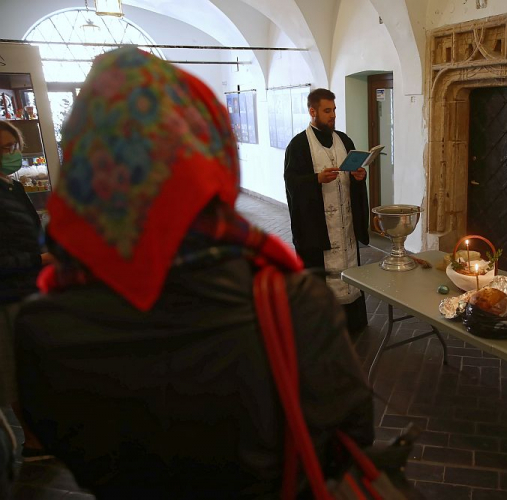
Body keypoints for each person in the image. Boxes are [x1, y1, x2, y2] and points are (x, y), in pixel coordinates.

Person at [14, 47, 373, 499]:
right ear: (214, 158)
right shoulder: (296, 302)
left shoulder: (44, 329)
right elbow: (350, 435)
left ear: (87, 165)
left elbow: (77, 452)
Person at [284, 88, 370, 334]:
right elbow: (291, 182)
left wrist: (359, 176)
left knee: (350, 270)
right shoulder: (299, 145)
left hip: (345, 224)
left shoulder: (345, 140)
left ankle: (353, 323)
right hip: (318, 228)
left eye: (334, 110)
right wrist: (316, 179)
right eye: (327, 110)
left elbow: (355, 177)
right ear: (312, 112)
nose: (332, 115)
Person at [0, 120, 52, 461]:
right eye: (3, 149)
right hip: (7, 295)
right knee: (16, 371)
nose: (9, 155)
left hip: (31, 287)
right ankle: (33, 442)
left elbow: (30, 230)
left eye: (12, 147)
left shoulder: (12, 187)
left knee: (36, 366)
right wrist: (39, 258)